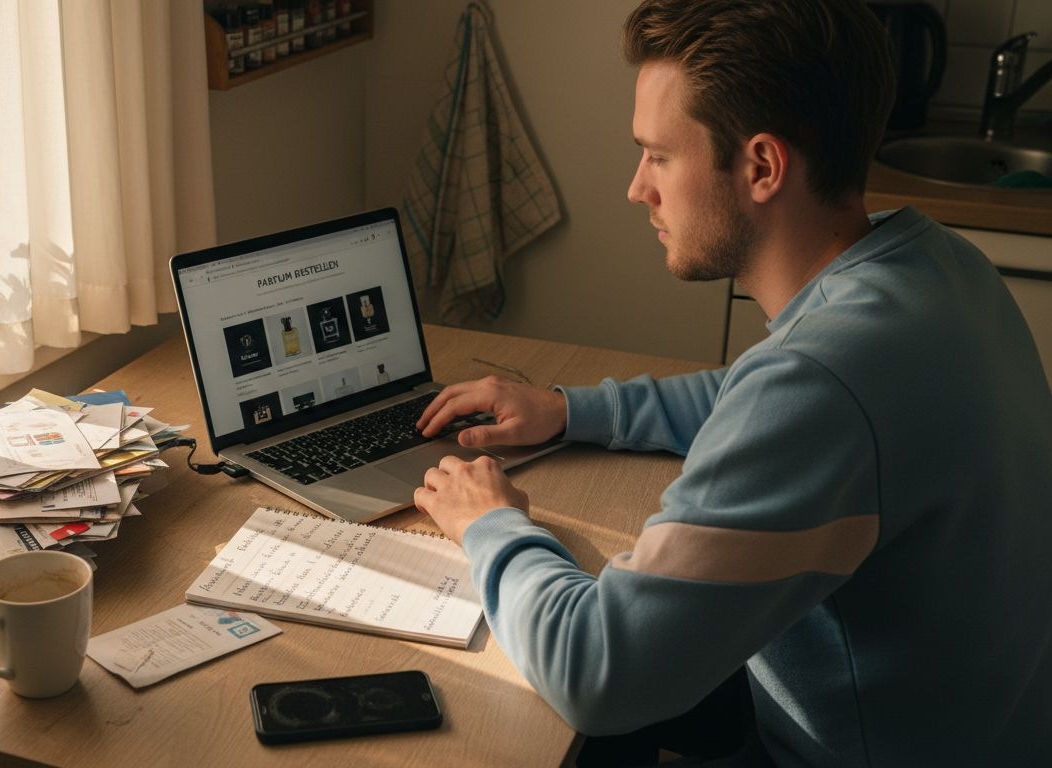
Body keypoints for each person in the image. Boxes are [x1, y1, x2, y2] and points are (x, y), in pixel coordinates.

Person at [413, 1, 1052, 765]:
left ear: (761, 167)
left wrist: (491, 523)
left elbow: (595, 676)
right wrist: (566, 410)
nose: (637, 188)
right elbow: (757, 395)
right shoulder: (941, 265)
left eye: (658, 155)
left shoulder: (822, 381)